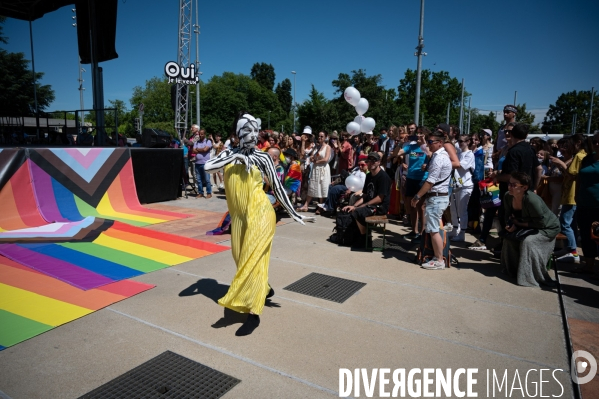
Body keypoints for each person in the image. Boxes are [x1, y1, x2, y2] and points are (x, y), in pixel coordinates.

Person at [204, 111, 308, 336]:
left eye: (255, 130)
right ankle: (265, 288)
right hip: (239, 219)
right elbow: (207, 167)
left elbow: (278, 188)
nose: (252, 135)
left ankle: (253, 313)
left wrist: (293, 212)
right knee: (241, 258)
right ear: (237, 134)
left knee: (253, 260)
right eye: (246, 130)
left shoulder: (261, 157)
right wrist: (233, 157)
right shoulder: (228, 154)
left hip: (261, 214)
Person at [501, 172, 559, 287]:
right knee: (508, 239)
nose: (510, 187)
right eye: (509, 183)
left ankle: (530, 276)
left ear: (524, 187)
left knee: (528, 242)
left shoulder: (532, 200)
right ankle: (513, 270)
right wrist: (510, 225)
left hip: (547, 228)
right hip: (525, 225)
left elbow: (540, 223)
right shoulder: (508, 196)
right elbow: (507, 215)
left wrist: (518, 223)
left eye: (514, 185)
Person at [411, 130, 453, 269]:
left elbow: (430, 181)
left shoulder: (439, 158)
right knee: (433, 228)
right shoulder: (439, 156)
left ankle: (439, 259)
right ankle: (437, 257)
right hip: (437, 197)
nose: (429, 145)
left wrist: (417, 196)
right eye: (428, 142)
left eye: (431, 142)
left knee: (434, 229)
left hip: (437, 197)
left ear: (439, 143)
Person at [342, 152, 391, 249]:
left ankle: (365, 239)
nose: (372, 162)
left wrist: (360, 207)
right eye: (370, 160)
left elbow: (379, 198)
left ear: (379, 162)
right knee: (350, 210)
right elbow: (365, 195)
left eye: (374, 160)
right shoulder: (369, 176)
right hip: (370, 205)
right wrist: (354, 205)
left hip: (380, 208)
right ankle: (357, 237)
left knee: (358, 212)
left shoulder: (383, 177)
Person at [573, 132, 599, 278]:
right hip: (584, 203)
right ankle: (589, 265)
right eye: (594, 142)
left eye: (598, 142)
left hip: (598, 204)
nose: (596, 145)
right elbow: (579, 178)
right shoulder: (587, 159)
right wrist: (577, 195)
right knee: (586, 235)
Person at [297, 131, 331, 212]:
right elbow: (312, 156)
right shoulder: (316, 147)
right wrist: (312, 158)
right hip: (316, 168)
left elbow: (326, 159)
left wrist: (317, 162)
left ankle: (320, 206)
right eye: (319, 136)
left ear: (325, 137)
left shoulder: (327, 147)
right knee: (312, 185)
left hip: (323, 168)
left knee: (322, 186)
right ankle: (306, 205)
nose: (320, 138)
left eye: (322, 136)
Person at [449, 135, 475, 241]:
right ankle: (455, 229)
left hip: (465, 185)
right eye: (458, 141)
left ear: (468, 142)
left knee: (462, 210)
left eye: (462, 141)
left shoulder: (470, 154)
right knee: (453, 209)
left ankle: (462, 233)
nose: (460, 143)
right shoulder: (458, 153)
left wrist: (447, 163)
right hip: (455, 184)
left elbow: (459, 165)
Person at [192, 128, 213, 198]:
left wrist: (198, 149)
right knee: (199, 180)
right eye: (200, 134)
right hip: (197, 163)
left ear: (204, 134)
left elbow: (205, 149)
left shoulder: (208, 141)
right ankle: (200, 192)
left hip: (205, 163)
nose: (200, 135)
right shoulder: (196, 142)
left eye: (202, 134)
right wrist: (201, 150)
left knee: (207, 179)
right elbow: (193, 151)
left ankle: (209, 193)